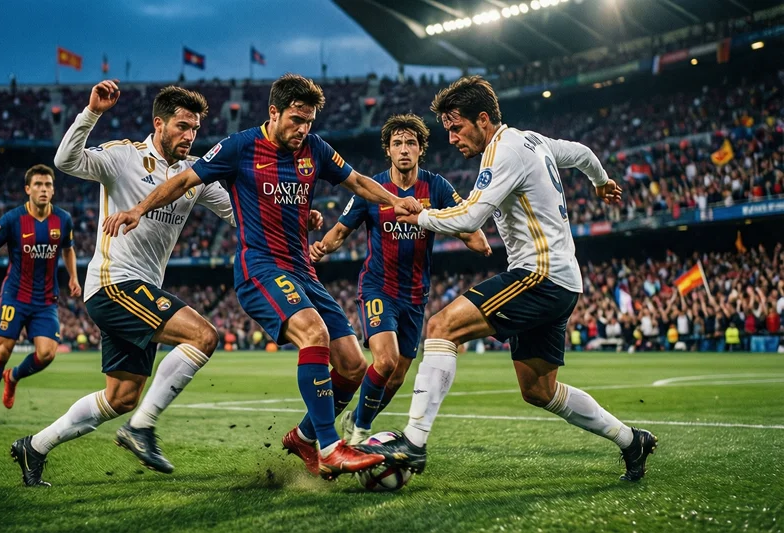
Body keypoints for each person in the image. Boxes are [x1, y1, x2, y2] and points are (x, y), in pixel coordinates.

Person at [101, 74, 424, 479]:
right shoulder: (241, 146)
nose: (302, 129)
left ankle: (304, 437)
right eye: (295, 119)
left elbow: (357, 181)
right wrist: (137, 210)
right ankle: (329, 446)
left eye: (308, 121)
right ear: (274, 112)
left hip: (303, 270)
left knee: (353, 365)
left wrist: (397, 201)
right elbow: (184, 179)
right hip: (261, 269)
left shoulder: (315, 148)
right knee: (314, 334)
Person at [358, 76, 657, 482]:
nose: (451, 138)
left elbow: (470, 218)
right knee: (539, 390)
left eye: (456, 127)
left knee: (442, 327)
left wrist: (419, 214)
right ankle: (631, 440)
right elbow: (584, 153)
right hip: (563, 280)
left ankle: (413, 440)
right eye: (446, 129)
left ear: (483, 119)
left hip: (539, 274)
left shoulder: (503, 151)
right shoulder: (532, 140)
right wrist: (601, 181)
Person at [11, 81, 238, 487]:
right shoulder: (123, 157)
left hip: (141, 291)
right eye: (182, 126)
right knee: (203, 336)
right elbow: (65, 160)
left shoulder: (195, 173)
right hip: (114, 284)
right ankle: (142, 428)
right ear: (159, 123)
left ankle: (35, 446)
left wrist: (296, 220)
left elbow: (239, 216)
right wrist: (92, 113)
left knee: (121, 398)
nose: (189, 136)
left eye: (195, 129)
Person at [309, 113, 491, 444]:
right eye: (397, 144)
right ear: (388, 151)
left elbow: (472, 233)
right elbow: (341, 230)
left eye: (410, 143)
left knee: (395, 376)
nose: (404, 149)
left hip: (415, 295)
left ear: (421, 150)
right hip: (379, 287)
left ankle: (357, 418)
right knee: (386, 359)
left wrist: (447, 225)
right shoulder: (373, 189)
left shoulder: (436, 187)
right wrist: (321, 248)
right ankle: (359, 429)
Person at [0, 164, 80, 427]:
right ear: (28, 189)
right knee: (3, 349)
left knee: (47, 354)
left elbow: (68, 250)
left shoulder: (63, 219)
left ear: (53, 190)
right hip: (15, 295)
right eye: (38, 185)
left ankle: (13, 378)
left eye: (47, 185)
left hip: (46, 299)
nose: (43, 189)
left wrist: (74, 277)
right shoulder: (11, 219)